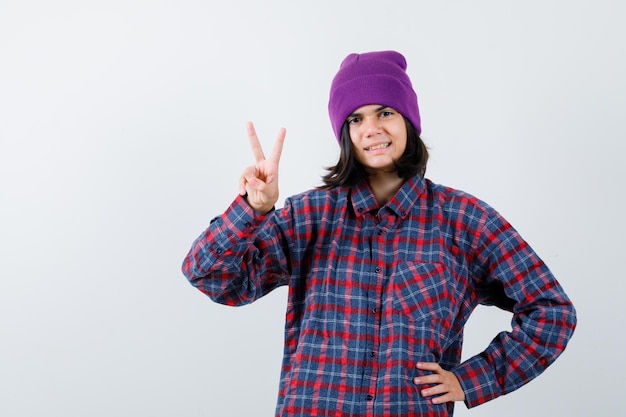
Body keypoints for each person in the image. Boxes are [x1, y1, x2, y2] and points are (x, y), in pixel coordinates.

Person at [181, 50, 577, 416]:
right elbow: (211, 278)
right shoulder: (309, 216)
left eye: (384, 112)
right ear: (345, 134)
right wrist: (255, 209)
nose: (371, 128)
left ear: (408, 120)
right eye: (356, 119)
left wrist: (470, 381)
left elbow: (551, 312)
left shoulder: (464, 220)